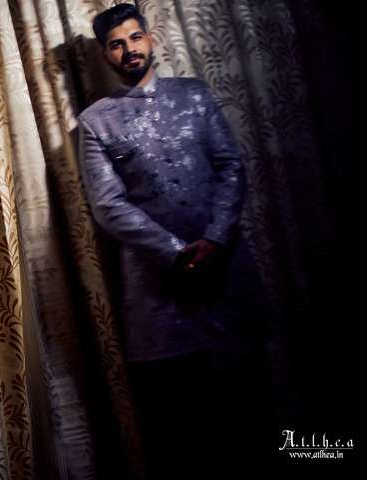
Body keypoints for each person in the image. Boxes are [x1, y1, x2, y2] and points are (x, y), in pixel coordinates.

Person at [78, 5, 274, 478]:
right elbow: (108, 205)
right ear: (106, 55)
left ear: (151, 38)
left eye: (135, 38)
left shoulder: (194, 95)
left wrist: (215, 239)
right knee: (183, 429)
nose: (128, 49)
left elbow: (230, 166)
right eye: (116, 44)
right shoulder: (96, 121)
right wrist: (174, 251)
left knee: (254, 410)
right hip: (159, 294)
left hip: (226, 275)